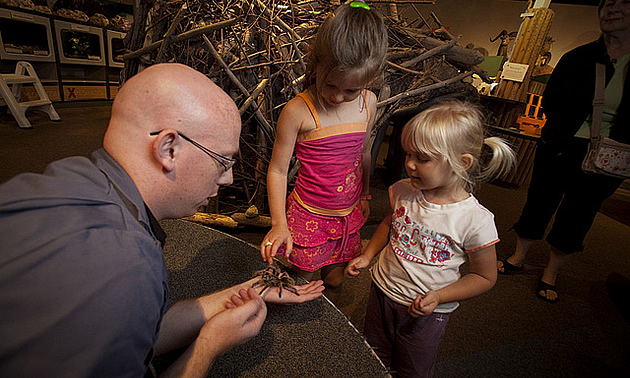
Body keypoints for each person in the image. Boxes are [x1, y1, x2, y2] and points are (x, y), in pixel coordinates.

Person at [0, 63, 324, 378]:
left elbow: (141, 325)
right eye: (223, 161)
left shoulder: (73, 177)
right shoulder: (123, 266)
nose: (227, 178)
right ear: (169, 148)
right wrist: (207, 347)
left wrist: (253, 288)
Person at [346, 100, 516, 377]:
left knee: (412, 368)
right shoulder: (402, 190)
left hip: (426, 311)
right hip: (381, 292)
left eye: (422, 158)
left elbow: (485, 277)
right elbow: (391, 222)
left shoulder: (475, 220)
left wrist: (439, 296)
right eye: (408, 154)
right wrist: (368, 254)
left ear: (461, 163)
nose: (409, 164)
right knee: (372, 354)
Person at [497, 0, 630, 304]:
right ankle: (518, 257)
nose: (612, 10)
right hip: (562, 144)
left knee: (580, 212)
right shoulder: (579, 58)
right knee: (540, 200)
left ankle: (551, 272)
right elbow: (551, 101)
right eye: (607, 5)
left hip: (610, 154)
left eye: (622, 5)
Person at [260, 1, 388, 301]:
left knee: (335, 279)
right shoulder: (298, 111)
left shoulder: (368, 102)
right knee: (297, 281)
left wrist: (365, 194)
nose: (337, 97)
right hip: (309, 216)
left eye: (350, 91)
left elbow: (364, 153)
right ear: (315, 64)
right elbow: (278, 170)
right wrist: (279, 223)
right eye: (331, 85)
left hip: (347, 215)